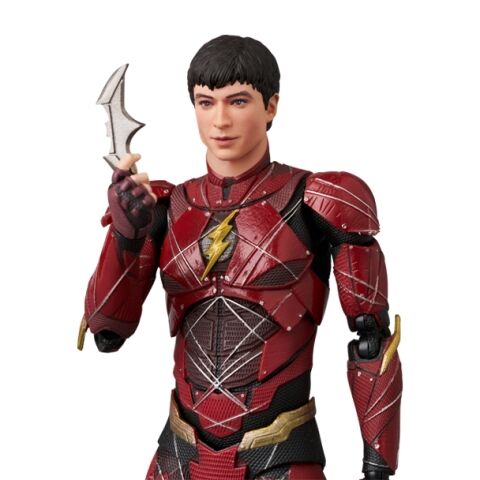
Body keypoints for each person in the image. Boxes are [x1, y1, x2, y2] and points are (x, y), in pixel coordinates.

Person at [83, 35, 402, 480]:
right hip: (179, 456)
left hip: (279, 456)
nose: (220, 120)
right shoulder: (164, 208)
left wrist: (377, 467)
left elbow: (371, 343)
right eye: (205, 103)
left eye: (237, 101)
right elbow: (106, 333)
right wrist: (124, 236)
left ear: (271, 106)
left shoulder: (318, 201)